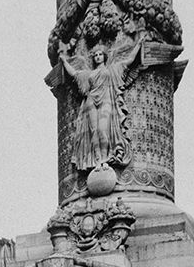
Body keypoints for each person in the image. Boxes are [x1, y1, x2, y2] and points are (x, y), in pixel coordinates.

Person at [60, 35, 141, 173]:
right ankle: (97, 160)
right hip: (91, 101)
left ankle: (105, 159)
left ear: (104, 56)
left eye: (100, 54)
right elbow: (74, 74)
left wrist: (139, 44)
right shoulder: (89, 74)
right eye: (95, 55)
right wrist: (63, 60)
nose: (97, 57)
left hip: (106, 100)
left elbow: (129, 60)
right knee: (94, 131)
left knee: (103, 130)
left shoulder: (113, 69)